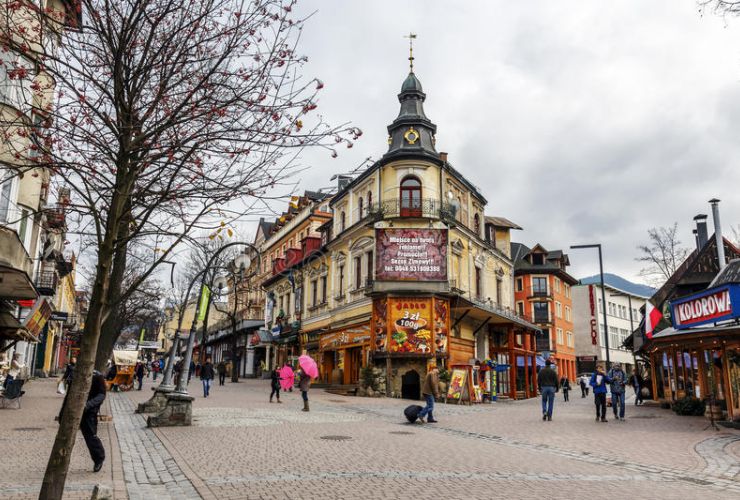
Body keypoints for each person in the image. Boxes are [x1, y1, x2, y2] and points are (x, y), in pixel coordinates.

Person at [59, 370, 107, 472]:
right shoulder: (75, 374)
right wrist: (62, 413)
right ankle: (60, 461)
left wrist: (88, 405)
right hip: (72, 409)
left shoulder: (97, 376)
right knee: (64, 436)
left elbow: (101, 395)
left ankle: (98, 458)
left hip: (88, 412)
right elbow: (69, 395)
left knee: (90, 437)